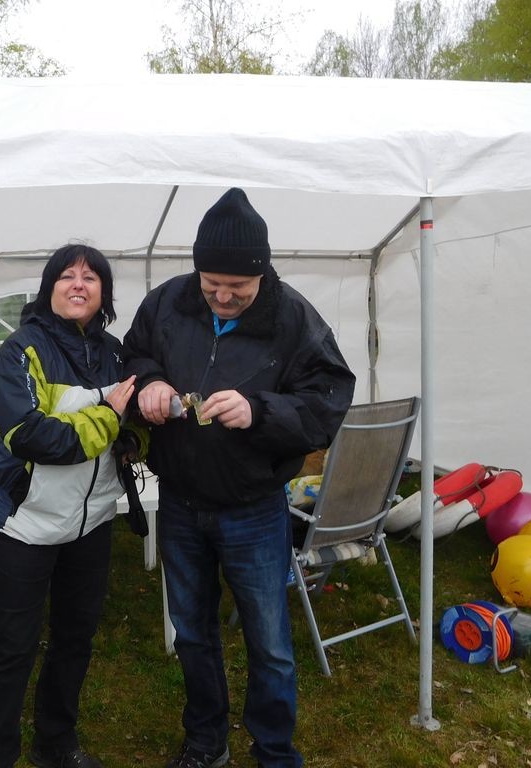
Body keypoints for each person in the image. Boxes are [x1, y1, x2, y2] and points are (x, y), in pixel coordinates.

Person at [123, 189, 356, 768]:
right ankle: (207, 741)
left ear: (262, 274)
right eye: (212, 285)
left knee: (269, 642)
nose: (223, 298)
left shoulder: (294, 318)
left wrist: (259, 411)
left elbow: (327, 402)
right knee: (192, 632)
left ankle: (274, 751)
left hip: (253, 507)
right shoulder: (167, 302)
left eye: (238, 288)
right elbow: (132, 356)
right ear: (197, 271)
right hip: (180, 501)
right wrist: (149, 382)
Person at [0, 244, 145, 768]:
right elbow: (31, 435)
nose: (78, 285)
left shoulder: (116, 354)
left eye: (91, 278)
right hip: (26, 523)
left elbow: (133, 420)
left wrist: (133, 436)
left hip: (92, 521)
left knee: (75, 638)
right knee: (13, 647)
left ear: (104, 293)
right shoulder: (19, 351)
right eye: (67, 276)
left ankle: (56, 742)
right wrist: (107, 419)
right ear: (49, 288)